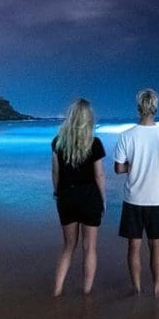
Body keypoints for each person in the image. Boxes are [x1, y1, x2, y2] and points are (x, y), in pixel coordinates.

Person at [113, 88, 159, 296]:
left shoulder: (126, 135)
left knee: (134, 246)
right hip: (157, 199)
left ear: (138, 108)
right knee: (156, 246)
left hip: (133, 198)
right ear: (156, 108)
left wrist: (132, 166)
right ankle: (158, 287)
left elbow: (118, 168)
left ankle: (137, 288)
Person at [51, 98, 107, 296]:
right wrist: (103, 199)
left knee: (68, 247)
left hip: (66, 197)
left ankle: (57, 290)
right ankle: (86, 290)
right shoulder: (94, 142)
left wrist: (58, 193)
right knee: (89, 248)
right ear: (88, 118)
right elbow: (99, 175)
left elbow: (55, 173)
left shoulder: (58, 142)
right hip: (89, 197)